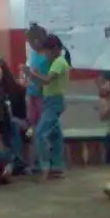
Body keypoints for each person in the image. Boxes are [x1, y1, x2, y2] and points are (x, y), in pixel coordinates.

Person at [23, 34, 70, 179]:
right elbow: (43, 83)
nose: (45, 55)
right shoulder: (57, 62)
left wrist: (31, 73)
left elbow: (47, 80)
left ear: (55, 49)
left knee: (40, 133)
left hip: (54, 101)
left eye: (47, 52)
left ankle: (44, 166)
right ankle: (57, 166)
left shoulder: (59, 62)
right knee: (55, 135)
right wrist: (33, 76)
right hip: (50, 100)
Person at [0, 55, 30, 175]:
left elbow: (24, 114)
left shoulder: (16, 89)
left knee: (13, 123)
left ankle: (17, 162)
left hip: (17, 121)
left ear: (3, 71)